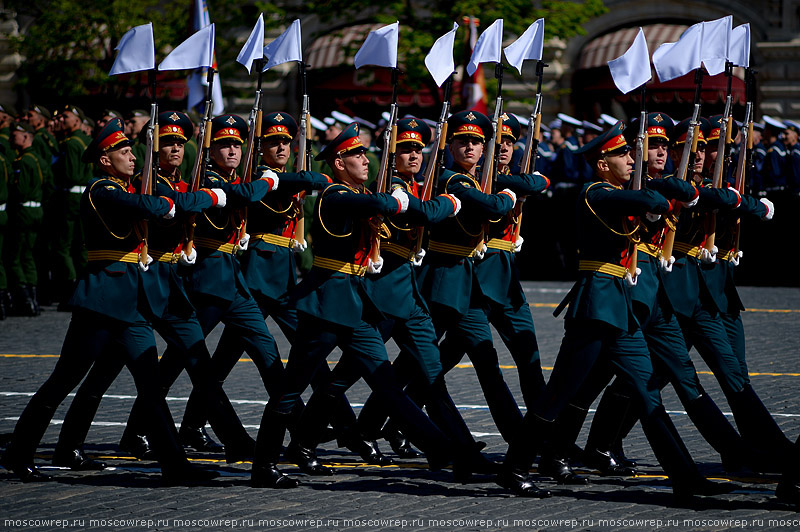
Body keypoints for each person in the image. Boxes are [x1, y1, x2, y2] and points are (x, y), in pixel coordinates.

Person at [498, 121, 734, 501]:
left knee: (647, 393)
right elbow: (654, 203)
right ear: (602, 163)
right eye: (623, 154)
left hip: (621, 308)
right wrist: (651, 188)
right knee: (557, 394)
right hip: (595, 307)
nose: (631, 159)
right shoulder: (595, 193)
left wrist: (649, 185)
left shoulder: (622, 191)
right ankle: (514, 466)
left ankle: (685, 476)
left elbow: (655, 203)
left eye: (630, 153)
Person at [1, 118, 217, 484]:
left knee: (150, 387)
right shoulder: (101, 190)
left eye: (133, 151)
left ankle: (174, 465)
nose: (133, 157)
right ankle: (20, 452)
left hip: (132, 306)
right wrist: (178, 201)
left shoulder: (127, 186)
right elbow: (146, 205)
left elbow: (154, 202)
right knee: (63, 380)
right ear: (104, 159)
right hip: (100, 305)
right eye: (125, 151)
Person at [251, 122, 458, 489]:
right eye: (357, 154)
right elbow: (377, 203)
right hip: (326, 305)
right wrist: (408, 200)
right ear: (339, 162)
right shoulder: (335, 195)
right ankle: (264, 463)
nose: (366, 159)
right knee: (292, 386)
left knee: (385, 382)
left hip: (357, 305)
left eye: (364, 152)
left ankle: (441, 448)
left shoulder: (356, 189)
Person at [51, 111, 255, 466]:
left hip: (165, 283)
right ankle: (77, 443)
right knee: (99, 373)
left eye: (180, 142)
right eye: (166, 142)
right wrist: (217, 196)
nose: (175, 148)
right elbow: (169, 207)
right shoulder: (142, 184)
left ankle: (212, 446)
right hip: (138, 283)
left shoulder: (171, 181)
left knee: (191, 365)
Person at [353, 117, 497, 475]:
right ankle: (323, 433)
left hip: (409, 292)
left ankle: (460, 452)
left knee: (431, 375)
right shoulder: (390, 186)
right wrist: (450, 203)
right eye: (405, 148)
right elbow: (428, 213)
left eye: (419, 148)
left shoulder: (421, 183)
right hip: (378, 293)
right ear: (390, 154)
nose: (414, 154)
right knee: (346, 376)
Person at [145, 114, 283, 455]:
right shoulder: (204, 179)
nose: (233, 150)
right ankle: (141, 430)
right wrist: (269, 181)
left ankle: (296, 430)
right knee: (182, 361)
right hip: (202, 280)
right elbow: (239, 196)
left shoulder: (227, 177)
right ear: (210, 150)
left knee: (266, 352)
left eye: (237, 144)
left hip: (232, 278)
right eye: (224, 144)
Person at [414, 110, 522, 444]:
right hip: (441, 282)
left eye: (477, 142)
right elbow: (490, 207)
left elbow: (537, 182)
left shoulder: (478, 178)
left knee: (487, 363)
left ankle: (522, 442)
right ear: (450, 146)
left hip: (467, 287)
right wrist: (507, 197)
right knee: (415, 365)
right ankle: (374, 426)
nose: (470, 148)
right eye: (463, 142)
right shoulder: (450, 179)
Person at [6, 122, 51, 316]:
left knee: (16, 256)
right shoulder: (39, 159)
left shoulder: (23, 161)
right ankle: (32, 299)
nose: (11, 138)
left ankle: (24, 299)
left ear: (26, 137)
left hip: (23, 211)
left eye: (15, 134)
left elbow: (20, 190)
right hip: (37, 209)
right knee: (29, 255)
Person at [51, 105, 93, 306]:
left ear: (77, 120)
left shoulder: (70, 143)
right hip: (86, 194)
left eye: (65, 116)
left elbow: (69, 175)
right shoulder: (87, 140)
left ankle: (70, 288)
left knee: (65, 245)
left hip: (71, 196)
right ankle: (85, 286)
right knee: (82, 245)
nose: (62, 119)